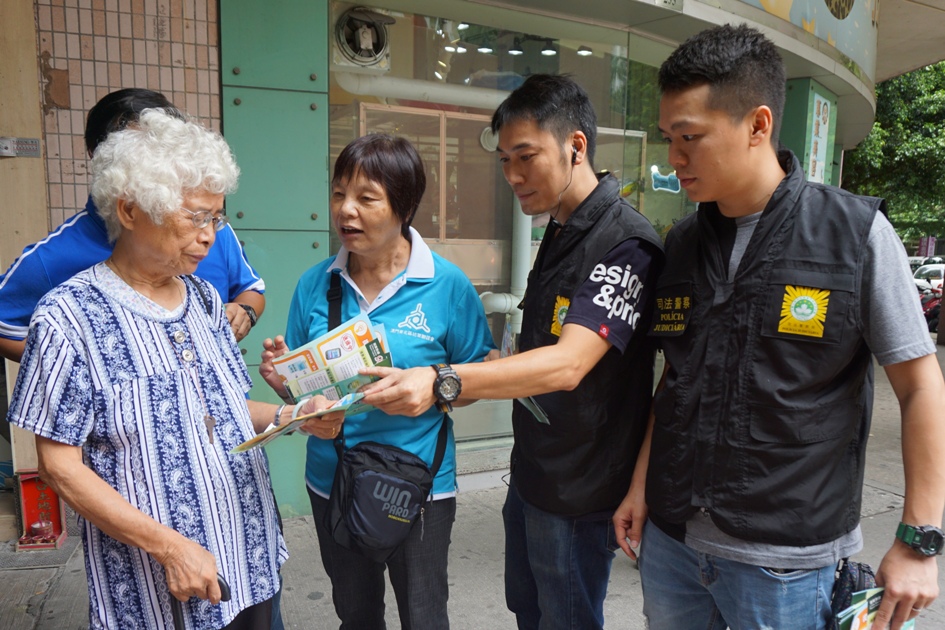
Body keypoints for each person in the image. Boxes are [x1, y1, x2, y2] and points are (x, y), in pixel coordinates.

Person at [611, 23, 945, 630]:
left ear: (758, 125)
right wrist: (640, 486)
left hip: (786, 562)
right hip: (673, 544)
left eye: (690, 137)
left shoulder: (853, 235)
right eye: (668, 138)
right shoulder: (682, 243)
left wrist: (920, 541)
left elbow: (921, 386)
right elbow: (677, 379)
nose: (674, 158)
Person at [358, 75, 665, 629]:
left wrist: (442, 379)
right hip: (533, 473)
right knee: (529, 610)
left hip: (580, 488)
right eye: (504, 161)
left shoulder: (625, 243)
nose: (513, 176)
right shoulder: (560, 230)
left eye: (526, 157)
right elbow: (545, 347)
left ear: (576, 146)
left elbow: (568, 364)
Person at [5, 110, 328, 630]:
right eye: (196, 217)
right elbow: (59, 467)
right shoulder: (68, 317)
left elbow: (222, 411)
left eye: (216, 218)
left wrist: (296, 415)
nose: (210, 236)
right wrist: (170, 548)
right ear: (131, 210)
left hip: (248, 557)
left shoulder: (205, 301)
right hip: (157, 586)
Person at [259, 133, 495, 629]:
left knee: (424, 615)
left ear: (404, 207)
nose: (346, 210)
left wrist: (429, 388)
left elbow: (477, 381)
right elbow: (304, 396)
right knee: (356, 614)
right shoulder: (315, 284)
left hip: (419, 485)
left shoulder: (447, 285)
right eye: (338, 193)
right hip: (333, 480)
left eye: (366, 198)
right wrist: (285, 382)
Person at [0, 88, 265, 363]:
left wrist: (244, 311)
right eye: (136, 151)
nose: (207, 236)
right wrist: (75, 364)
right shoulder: (54, 263)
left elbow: (250, 289)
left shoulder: (209, 232)